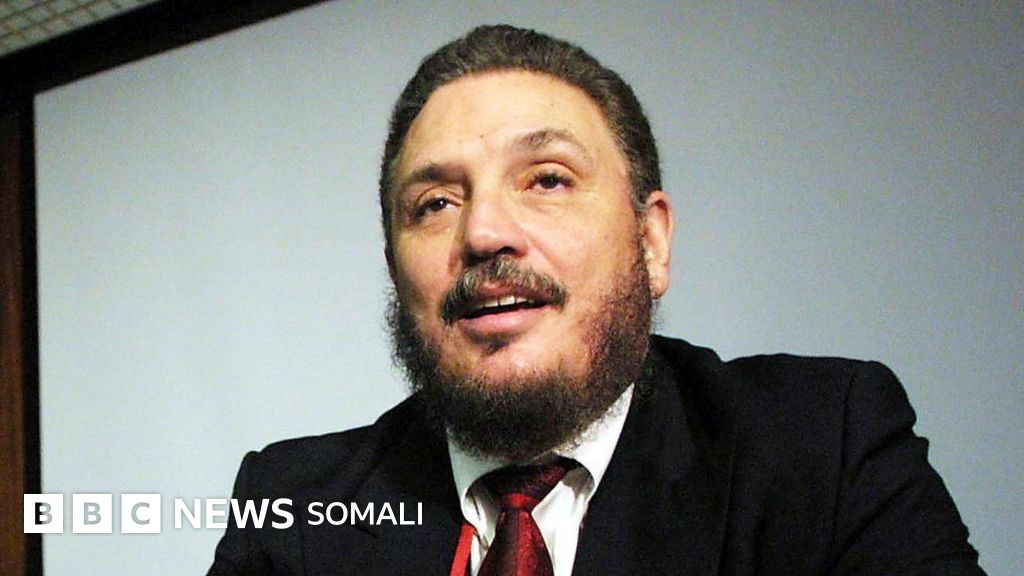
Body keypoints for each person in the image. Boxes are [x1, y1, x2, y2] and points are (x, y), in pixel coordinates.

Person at [209, 25, 984, 575]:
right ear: (393, 265)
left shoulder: (825, 444)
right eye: (435, 203)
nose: (484, 232)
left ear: (651, 242)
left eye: (547, 180)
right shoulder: (292, 507)